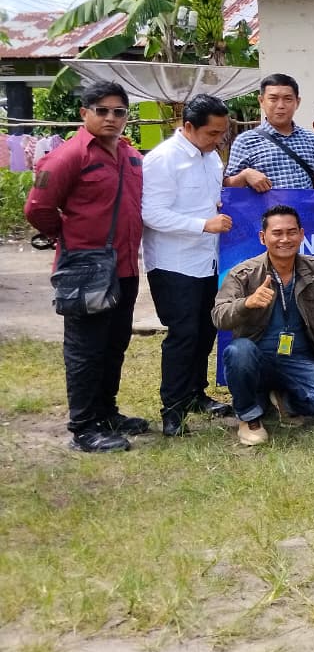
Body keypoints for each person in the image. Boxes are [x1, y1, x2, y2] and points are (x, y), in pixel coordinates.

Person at [24, 80, 147, 452]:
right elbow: (37, 207)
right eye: (102, 110)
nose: (111, 118)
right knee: (86, 349)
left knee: (114, 344)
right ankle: (83, 428)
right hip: (85, 268)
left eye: (119, 112)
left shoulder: (129, 155)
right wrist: (66, 236)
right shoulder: (68, 156)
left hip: (125, 267)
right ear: (84, 113)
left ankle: (106, 413)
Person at [211, 205, 314, 446]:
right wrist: (247, 303)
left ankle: (286, 401)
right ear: (263, 237)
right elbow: (219, 316)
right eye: (277, 233)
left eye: (291, 232)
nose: (285, 239)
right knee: (238, 351)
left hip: (299, 359)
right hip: (256, 357)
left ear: (301, 235)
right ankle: (249, 417)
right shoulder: (243, 274)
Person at [142, 93, 236, 437]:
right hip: (174, 263)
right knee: (183, 335)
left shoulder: (211, 160)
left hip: (208, 260)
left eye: (222, 133)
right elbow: (151, 214)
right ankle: (173, 409)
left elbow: (210, 200)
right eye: (212, 133)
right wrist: (202, 224)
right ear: (188, 127)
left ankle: (196, 394)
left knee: (206, 330)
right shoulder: (163, 159)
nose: (218, 140)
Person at [225, 73, 314, 190]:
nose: (280, 105)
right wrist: (244, 175)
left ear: (297, 102)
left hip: (305, 203)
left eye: (288, 99)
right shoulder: (245, 142)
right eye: (273, 99)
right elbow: (228, 187)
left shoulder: (313, 141)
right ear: (261, 101)